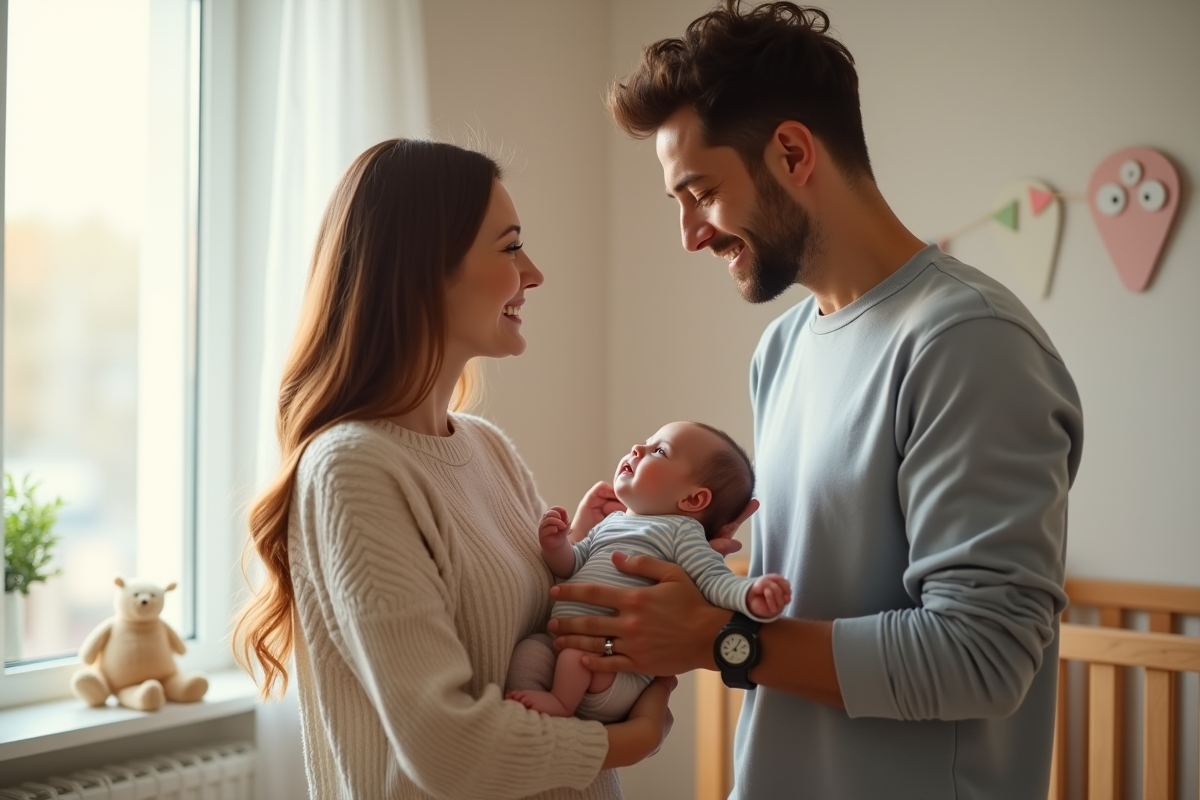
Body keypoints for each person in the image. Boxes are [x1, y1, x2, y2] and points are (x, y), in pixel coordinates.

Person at [549, 3, 1084, 799]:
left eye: (700, 192)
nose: (690, 234)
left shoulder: (969, 343)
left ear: (793, 152)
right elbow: (797, 608)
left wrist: (718, 639)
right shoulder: (784, 348)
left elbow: (984, 658)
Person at [231, 138, 679, 800]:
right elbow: (450, 750)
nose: (533, 272)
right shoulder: (353, 468)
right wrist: (630, 742)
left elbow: (555, 635)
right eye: (509, 247)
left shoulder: (485, 448)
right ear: (420, 270)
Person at [506, 421, 791, 722]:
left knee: (578, 658)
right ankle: (537, 718)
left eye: (659, 451)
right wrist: (556, 545)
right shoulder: (611, 523)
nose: (637, 449)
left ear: (693, 499)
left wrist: (749, 593)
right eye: (645, 442)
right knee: (529, 652)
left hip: (613, 669)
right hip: (562, 648)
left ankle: (561, 703)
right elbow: (571, 564)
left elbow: (714, 579)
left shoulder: (682, 533)